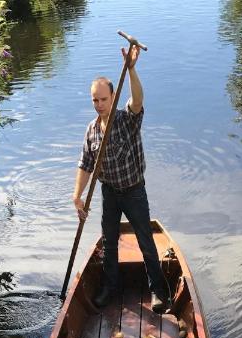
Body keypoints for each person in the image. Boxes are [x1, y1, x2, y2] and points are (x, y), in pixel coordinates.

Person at [73, 45, 170, 313]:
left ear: (113, 96)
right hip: (109, 193)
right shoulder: (91, 130)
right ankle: (110, 288)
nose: (99, 104)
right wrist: (77, 196)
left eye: (103, 99)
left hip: (134, 190)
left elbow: (137, 99)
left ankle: (158, 291)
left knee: (145, 240)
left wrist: (131, 69)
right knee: (109, 241)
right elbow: (85, 165)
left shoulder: (127, 119)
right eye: (95, 100)